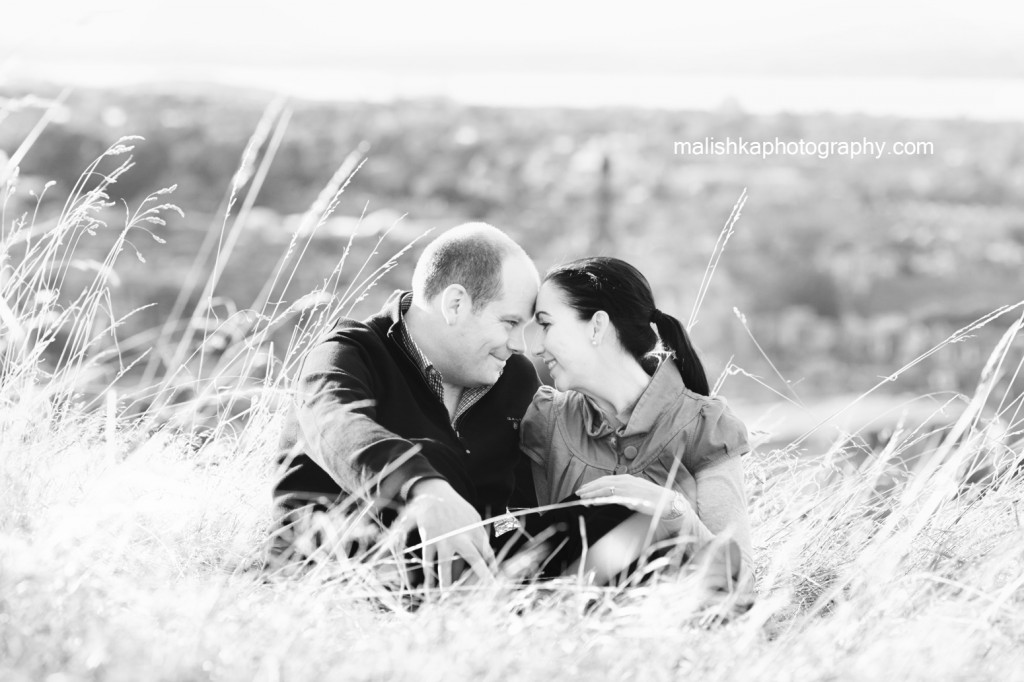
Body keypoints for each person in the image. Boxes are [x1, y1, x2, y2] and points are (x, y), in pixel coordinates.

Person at [273, 222, 541, 587]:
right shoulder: (346, 353)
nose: (519, 344)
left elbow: (525, 505)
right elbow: (336, 425)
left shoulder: (516, 379)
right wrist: (423, 486)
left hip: (470, 596)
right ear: (456, 304)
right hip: (331, 591)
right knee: (435, 458)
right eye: (509, 322)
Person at [517, 257, 753, 590]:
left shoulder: (705, 426)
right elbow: (537, 559)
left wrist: (674, 513)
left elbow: (741, 585)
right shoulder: (544, 422)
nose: (536, 347)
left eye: (545, 325)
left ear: (597, 326)